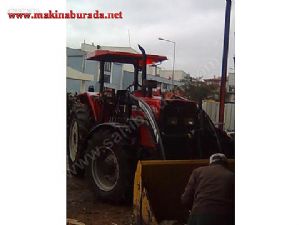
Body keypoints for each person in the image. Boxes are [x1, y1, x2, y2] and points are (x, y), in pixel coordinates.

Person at [181, 153, 234, 225]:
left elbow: (186, 199)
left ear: (210, 162)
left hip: (199, 217)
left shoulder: (198, 172)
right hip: (224, 218)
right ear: (226, 164)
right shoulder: (232, 176)